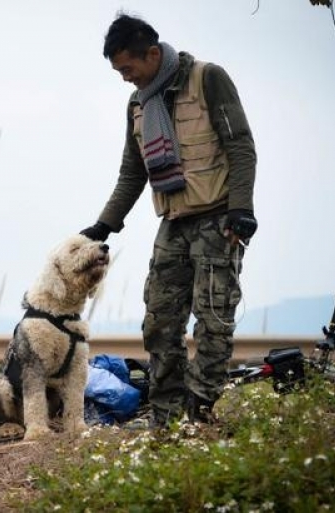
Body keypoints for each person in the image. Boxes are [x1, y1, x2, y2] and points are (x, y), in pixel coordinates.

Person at [80, 14, 258, 426]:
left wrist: (242, 209)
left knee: (213, 320)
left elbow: (241, 146)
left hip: (219, 220)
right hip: (173, 224)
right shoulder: (139, 103)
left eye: (128, 68)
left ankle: (200, 412)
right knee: (159, 322)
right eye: (119, 71)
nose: (125, 78)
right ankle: (166, 417)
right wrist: (103, 225)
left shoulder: (208, 79)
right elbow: (132, 173)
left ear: (153, 54)